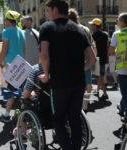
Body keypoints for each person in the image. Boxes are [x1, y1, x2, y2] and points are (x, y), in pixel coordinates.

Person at [39, 1, 96, 150]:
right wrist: (79, 69)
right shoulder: (79, 29)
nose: (47, 14)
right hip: (79, 82)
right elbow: (92, 58)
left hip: (59, 82)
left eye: (47, 11)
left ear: (55, 10)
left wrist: (46, 75)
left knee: (58, 119)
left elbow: (44, 55)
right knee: (74, 118)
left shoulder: (47, 27)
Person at [0, 10, 26, 123]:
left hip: (11, 66)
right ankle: (22, 113)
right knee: (21, 90)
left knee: (11, 91)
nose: (4, 22)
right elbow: (24, 49)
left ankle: (7, 115)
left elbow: (3, 51)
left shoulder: (6, 32)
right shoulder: (21, 32)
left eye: (5, 20)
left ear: (8, 20)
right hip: (21, 64)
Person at [68, 8, 96, 111]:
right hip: (85, 61)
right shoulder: (85, 29)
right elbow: (92, 45)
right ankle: (85, 105)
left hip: (71, 62)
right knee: (88, 84)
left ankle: (76, 105)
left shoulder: (65, 29)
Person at [109, 12, 127, 116]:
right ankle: (121, 108)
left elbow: (111, 52)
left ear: (123, 22)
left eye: (118, 20)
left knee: (124, 93)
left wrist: (111, 68)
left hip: (123, 68)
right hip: (122, 69)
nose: (117, 21)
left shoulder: (117, 34)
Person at [89, 18, 109, 100]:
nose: (91, 26)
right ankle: (98, 90)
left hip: (97, 58)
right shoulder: (105, 34)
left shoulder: (93, 35)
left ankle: (105, 93)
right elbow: (107, 47)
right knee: (100, 76)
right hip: (104, 58)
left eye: (92, 25)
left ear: (95, 25)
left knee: (100, 77)